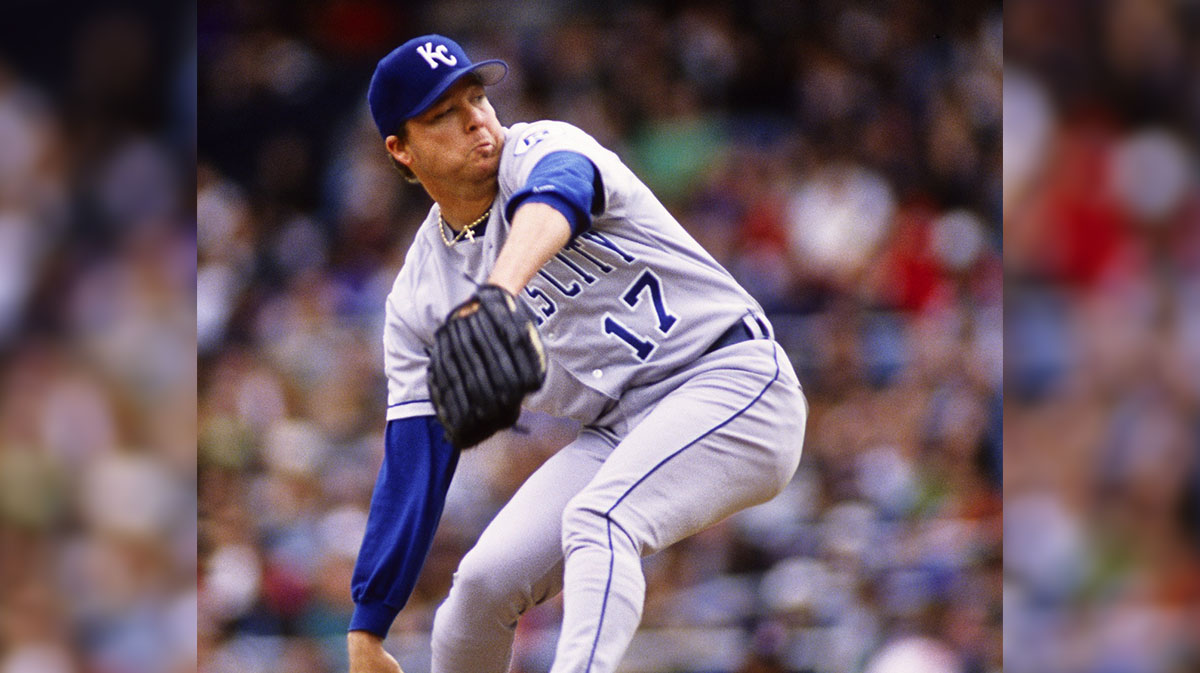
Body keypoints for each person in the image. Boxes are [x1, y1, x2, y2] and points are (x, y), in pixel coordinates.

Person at [347, 34, 807, 673]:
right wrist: (369, 622)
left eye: (476, 97)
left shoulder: (539, 149)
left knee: (599, 519)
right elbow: (414, 456)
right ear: (400, 150)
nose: (476, 118)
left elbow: (564, 187)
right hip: (617, 431)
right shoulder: (420, 297)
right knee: (477, 591)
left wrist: (500, 289)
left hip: (732, 379)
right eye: (442, 114)